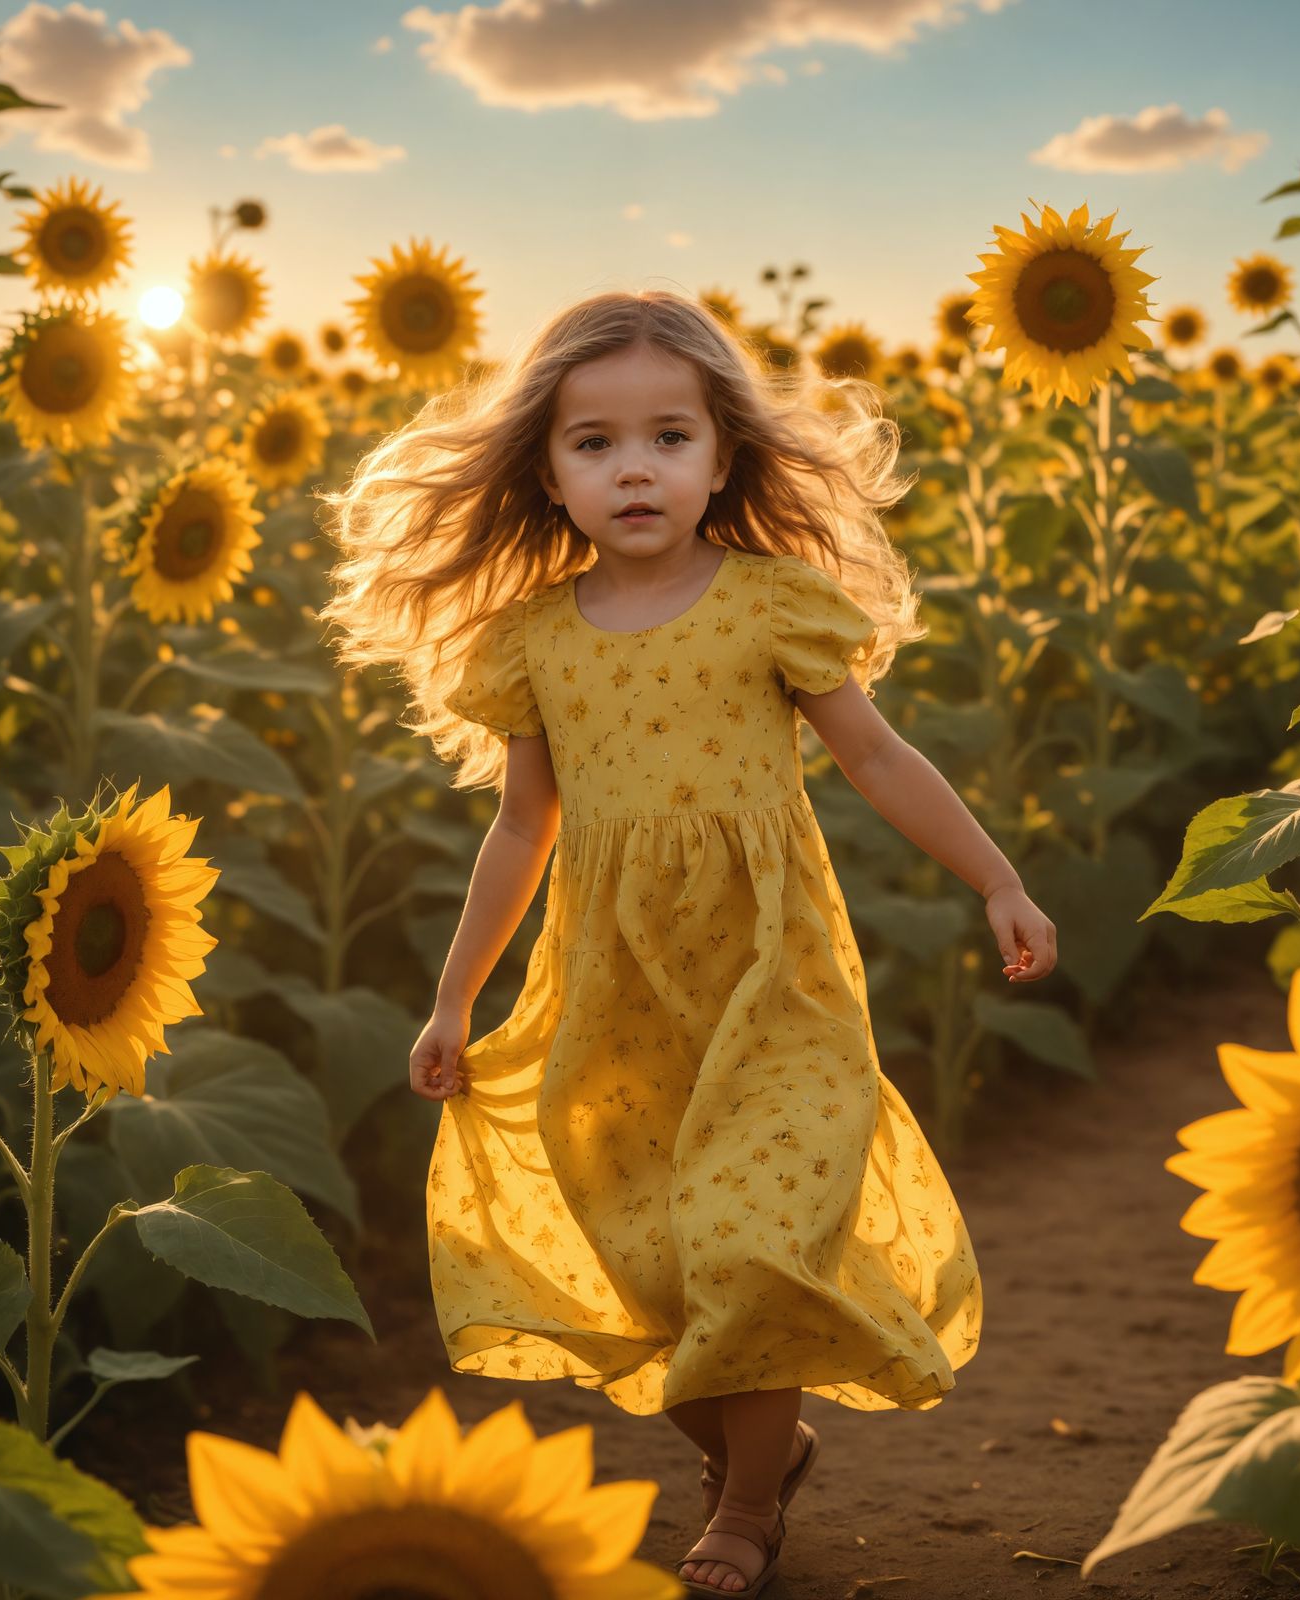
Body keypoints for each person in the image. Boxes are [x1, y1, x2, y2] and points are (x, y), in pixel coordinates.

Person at [318, 288, 1057, 1596]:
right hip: (611, 997)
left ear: (725, 457)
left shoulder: (771, 605)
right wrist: (451, 1005)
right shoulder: (537, 640)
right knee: (643, 1264)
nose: (634, 466)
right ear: (545, 474)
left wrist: (997, 880)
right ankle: (761, 1453)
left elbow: (879, 757)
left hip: (772, 984)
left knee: (749, 1241)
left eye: (668, 435)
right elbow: (519, 833)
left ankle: (746, 1508)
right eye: (592, 443)